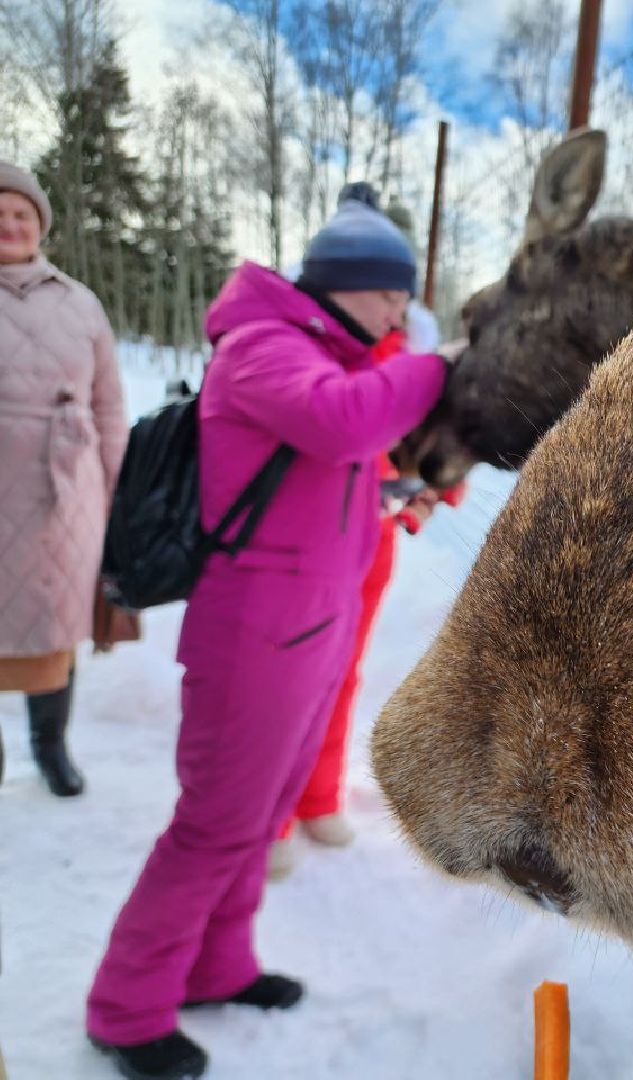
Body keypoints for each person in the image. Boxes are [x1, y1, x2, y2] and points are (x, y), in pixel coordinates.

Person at [86, 197, 447, 1080]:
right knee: (214, 824)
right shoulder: (262, 348)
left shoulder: (323, 354)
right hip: (254, 635)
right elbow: (341, 423)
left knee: (259, 813)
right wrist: (446, 368)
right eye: (393, 297)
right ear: (348, 286)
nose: (402, 316)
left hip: (311, 630)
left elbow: (322, 476)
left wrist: (387, 501)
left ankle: (217, 967)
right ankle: (125, 1009)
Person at [266, 183, 453, 879]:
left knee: (342, 669)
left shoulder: (407, 342)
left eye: (397, 289)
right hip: (309, 532)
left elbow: (429, 438)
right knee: (292, 675)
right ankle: (273, 815)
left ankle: (318, 795)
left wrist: (433, 489)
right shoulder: (310, 341)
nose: (389, 303)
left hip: (373, 531)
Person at [0, 161, 127, 797]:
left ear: (40, 224)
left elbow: (108, 405)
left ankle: (50, 747)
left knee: (52, 618)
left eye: (20, 214)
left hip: (64, 495)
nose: (9, 225)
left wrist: (117, 489)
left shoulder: (80, 303)